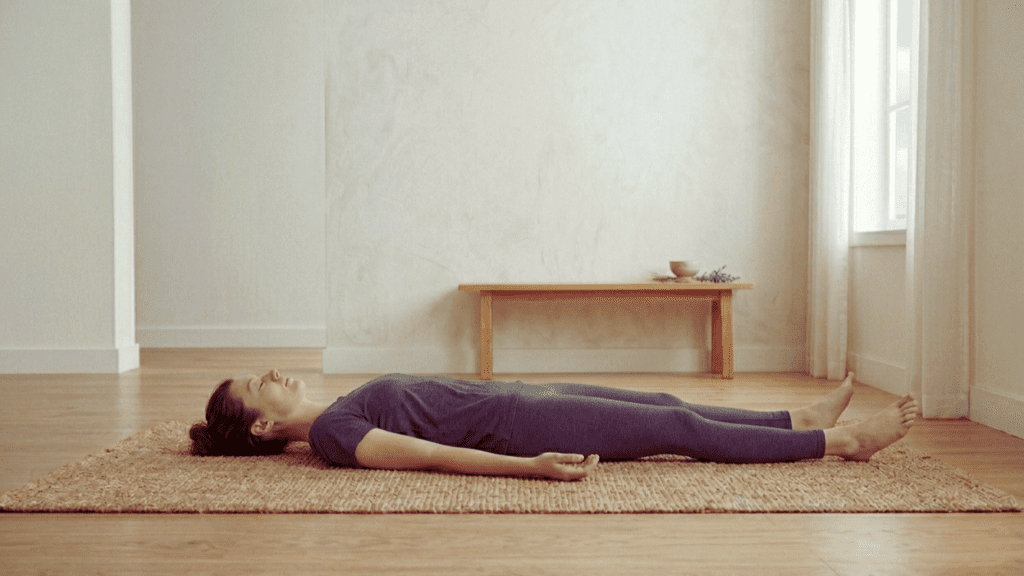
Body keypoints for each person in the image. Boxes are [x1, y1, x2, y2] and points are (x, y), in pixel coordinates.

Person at [189, 370, 918, 481]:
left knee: (667, 404)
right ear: (260, 429)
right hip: (521, 426)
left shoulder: (335, 411)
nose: (275, 374)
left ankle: (795, 417)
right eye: (262, 386)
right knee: (679, 428)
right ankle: (838, 443)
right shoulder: (329, 436)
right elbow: (430, 455)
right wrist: (529, 468)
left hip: (521, 397)